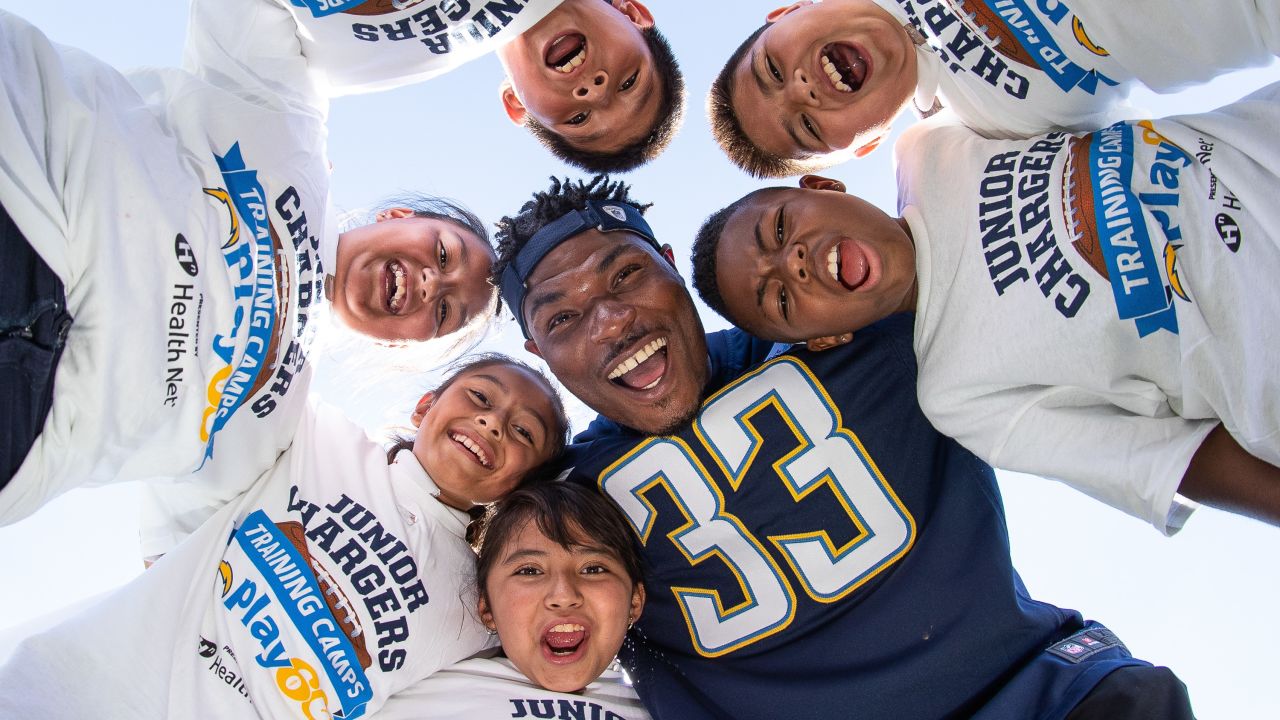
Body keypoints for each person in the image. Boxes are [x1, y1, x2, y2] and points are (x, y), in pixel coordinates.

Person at [490, 174, 1195, 719]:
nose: (611, 321)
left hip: (1046, 692)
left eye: (626, 275)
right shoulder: (566, 499)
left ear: (672, 265)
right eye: (564, 316)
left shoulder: (848, 329)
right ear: (536, 350)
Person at [690, 84, 1280, 532]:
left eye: (780, 228)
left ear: (821, 186)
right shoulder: (959, 397)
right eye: (783, 299)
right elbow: (1175, 460)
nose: (792, 262)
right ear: (823, 339)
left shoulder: (934, 142)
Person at [0, 11, 500, 531]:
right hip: (30, 194)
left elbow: (180, 560)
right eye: (443, 254)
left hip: (28, 417)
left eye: (445, 311)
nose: (429, 282)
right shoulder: (288, 122)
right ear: (401, 216)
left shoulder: (276, 438)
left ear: (406, 344)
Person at [0, 353, 569, 720]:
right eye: (479, 396)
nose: (494, 422)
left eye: (523, 431)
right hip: (84, 689)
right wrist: (168, 550)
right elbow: (190, 437)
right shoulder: (316, 432)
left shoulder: (480, 609)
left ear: (524, 482)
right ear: (426, 405)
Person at [708, 0, 1280, 177]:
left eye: (772, 70)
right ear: (863, 146)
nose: (802, 89)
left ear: (790, 9)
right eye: (805, 127)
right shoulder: (998, 130)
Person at [187, 0, 686, 172]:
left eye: (578, 119)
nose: (594, 90)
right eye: (628, 82)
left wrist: (284, 162)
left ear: (517, 106)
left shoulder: (354, 65)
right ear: (631, 10)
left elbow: (229, 98)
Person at [377, 481, 650, 719]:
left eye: (593, 569)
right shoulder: (418, 698)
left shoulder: (663, 707)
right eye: (529, 571)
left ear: (635, 601)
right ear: (487, 608)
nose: (564, 595)